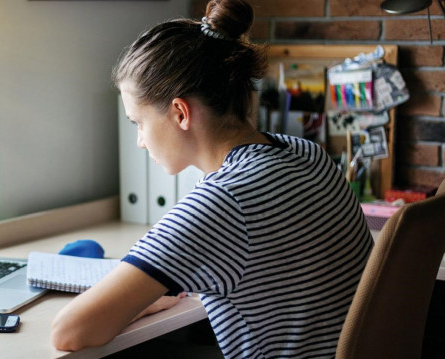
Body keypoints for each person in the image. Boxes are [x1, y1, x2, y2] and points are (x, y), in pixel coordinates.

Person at [51, 0, 373, 357]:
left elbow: (69, 331)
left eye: (138, 122)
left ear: (180, 113)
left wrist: (141, 301)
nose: (140, 141)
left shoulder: (222, 203)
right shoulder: (308, 154)